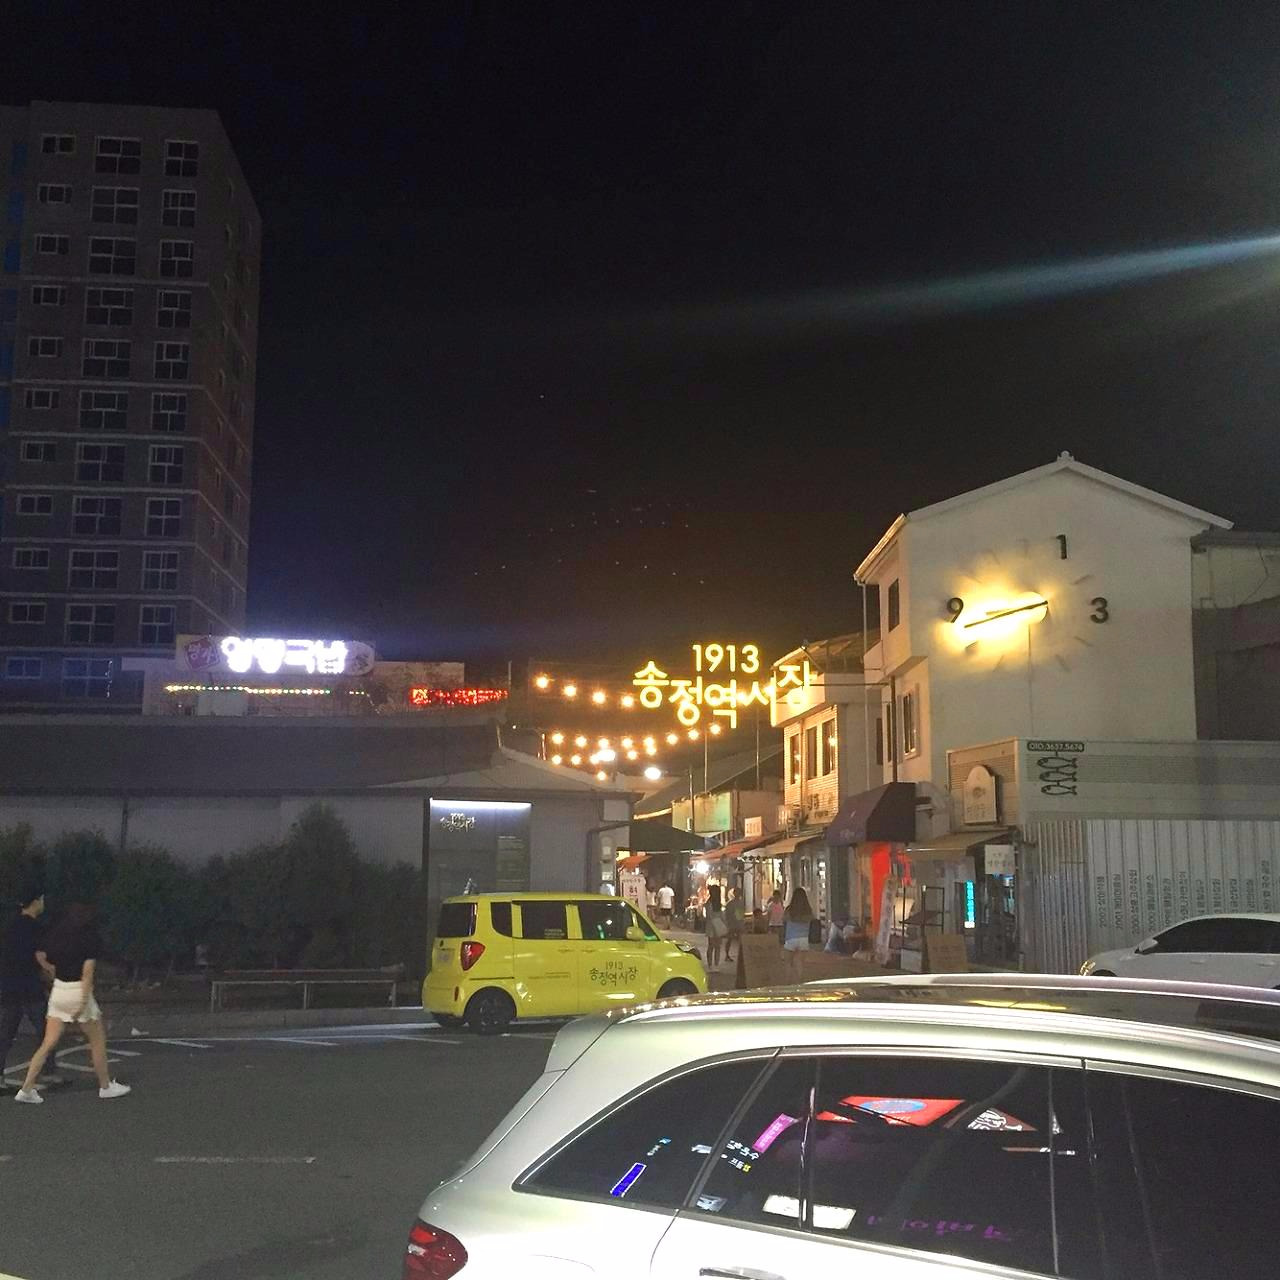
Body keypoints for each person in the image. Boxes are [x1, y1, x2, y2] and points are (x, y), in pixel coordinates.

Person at [14, 903, 130, 1104]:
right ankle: (105, 1086)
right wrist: (83, 1004)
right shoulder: (89, 940)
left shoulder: (57, 937)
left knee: (47, 1043)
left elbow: (42, 956)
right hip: (78, 991)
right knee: (97, 1040)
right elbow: (87, 976)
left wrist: (51, 971)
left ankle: (26, 1088)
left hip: (59, 990)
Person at [1, 887, 61, 1093]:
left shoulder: (10, 926)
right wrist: (54, 973)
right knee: (46, 1030)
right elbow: (40, 957)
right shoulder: (36, 928)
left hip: (9, 985)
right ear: (35, 902)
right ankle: (48, 1072)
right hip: (29, 985)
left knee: (6, 1032)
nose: (43, 903)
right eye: (41, 899)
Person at [783, 888, 814, 978]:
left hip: (791, 938)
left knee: (788, 963)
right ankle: (799, 982)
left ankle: (789, 982)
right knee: (800, 963)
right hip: (804, 938)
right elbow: (812, 919)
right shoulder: (808, 910)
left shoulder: (789, 909)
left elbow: (784, 919)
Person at [704, 885, 726, 969]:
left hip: (717, 925)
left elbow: (721, 915)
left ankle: (716, 964)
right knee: (712, 946)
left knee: (717, 946)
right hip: (712, 926)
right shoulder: (709, 903)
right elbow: (709, 916)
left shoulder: (718, 903)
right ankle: (710, 965)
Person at [723, 888, 745, 963]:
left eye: (739, 892)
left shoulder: (740, 903)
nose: (737, 894)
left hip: (738, 923)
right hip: (732, 924)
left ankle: (742, 955)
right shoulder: (730, 903)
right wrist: (728, 923)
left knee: (741, 940)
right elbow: (727, 915)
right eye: (736, 892)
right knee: (729, 939)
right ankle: (727, 955)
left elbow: (741, 914)